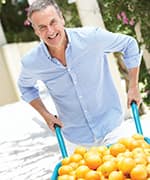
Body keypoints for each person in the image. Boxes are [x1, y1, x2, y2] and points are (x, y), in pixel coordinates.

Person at [18, 0, 141, 154]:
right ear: (36, 31)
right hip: (76, 141)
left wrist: (133, 87)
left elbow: (129, 45)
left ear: (62, 19)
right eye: (42, 27)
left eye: (53, 22)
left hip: (112, 128)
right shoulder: (32, 62)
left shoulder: (91, 38)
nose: (50, 31)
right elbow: (25, 87)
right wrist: (46, 115)